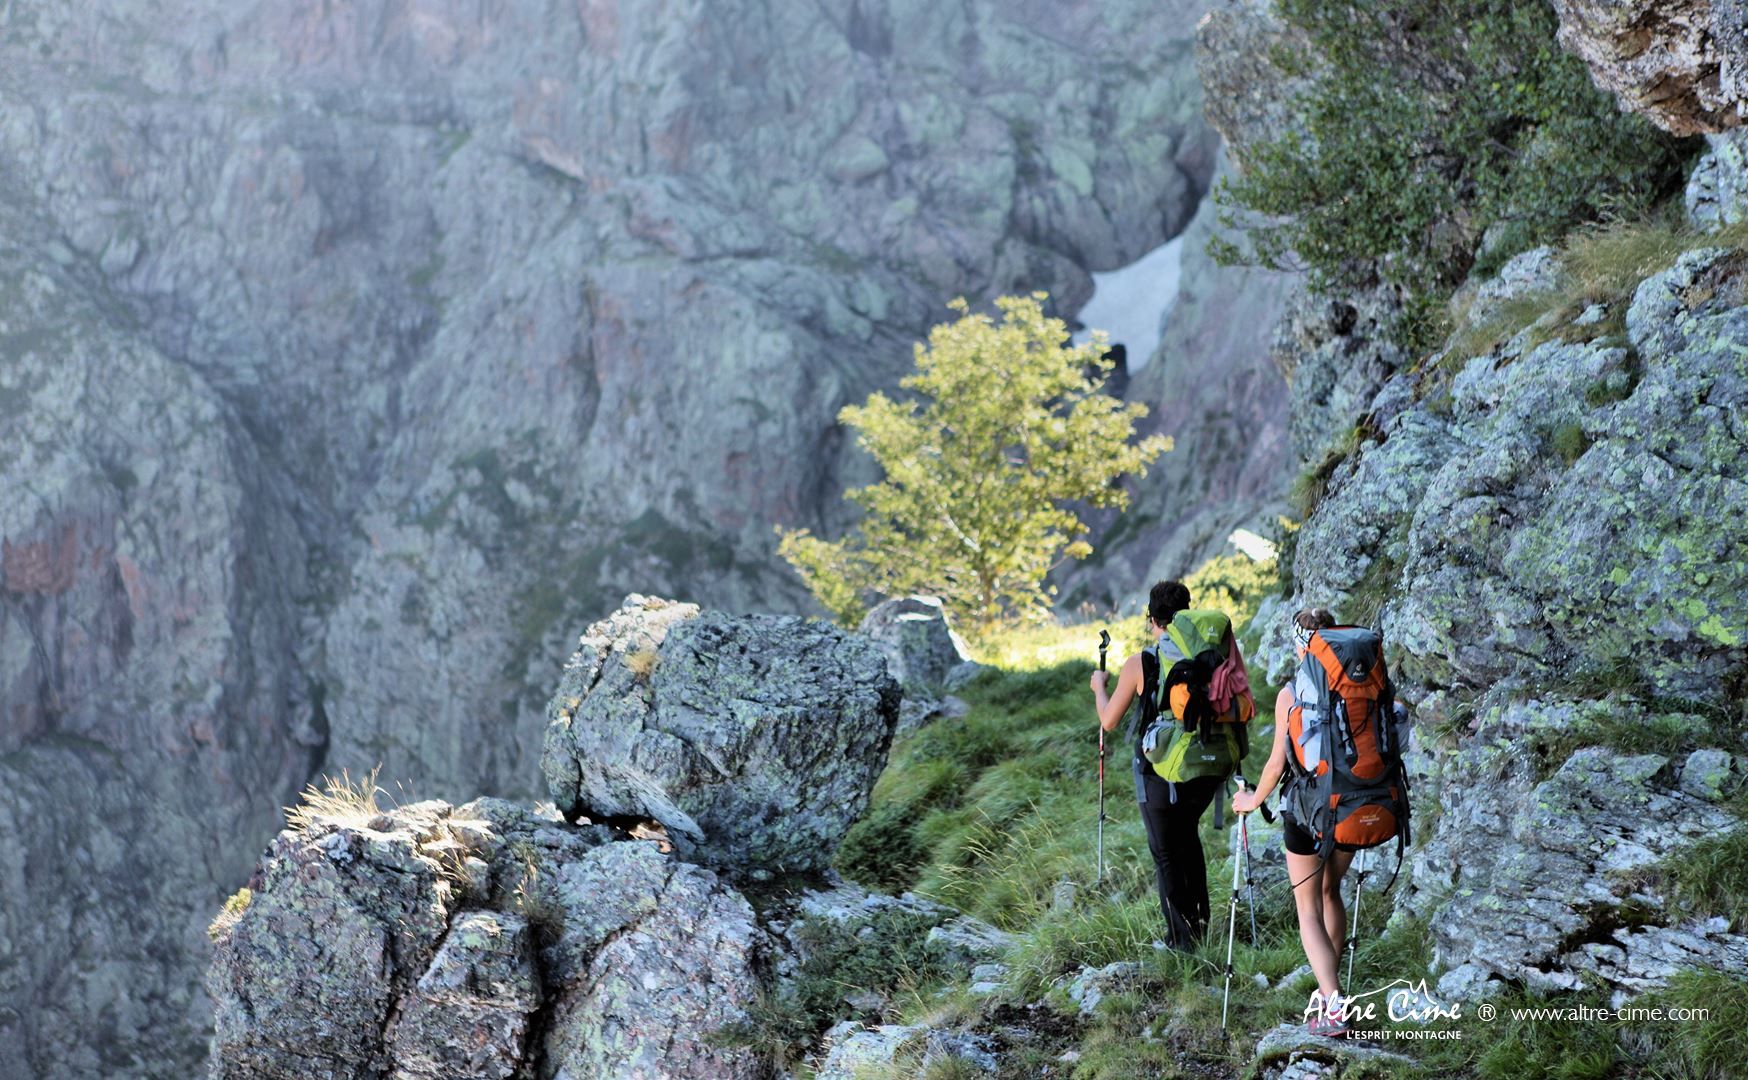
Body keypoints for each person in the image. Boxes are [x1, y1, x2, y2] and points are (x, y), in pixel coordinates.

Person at [1231, 607, 1356, 1038]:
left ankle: (1334, 1004)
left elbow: (1275, 763)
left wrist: (1251, 800)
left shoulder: (1293, 691)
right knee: (1330, 891)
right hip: (1354, 804)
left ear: (1301, 643)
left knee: (1307, 906)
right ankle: (1329, 992)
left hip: (1308, 811)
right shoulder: (1356, 681)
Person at [1089, 580, 1223, 949]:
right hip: (1207, 764)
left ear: (1152, 619)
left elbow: (1109, 720)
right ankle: (1200, 929)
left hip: (1160, 769)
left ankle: (1181, 943)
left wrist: (1099, 687)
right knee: (1188, 839)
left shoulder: (1141, 662)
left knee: (1166, 852)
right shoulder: (1209, 655)